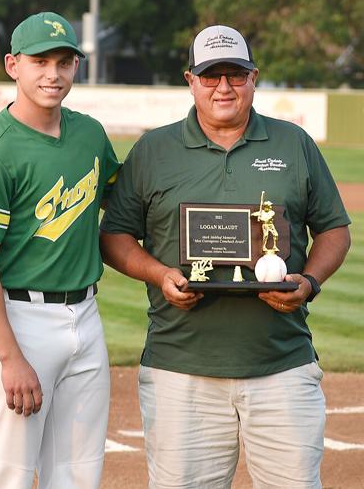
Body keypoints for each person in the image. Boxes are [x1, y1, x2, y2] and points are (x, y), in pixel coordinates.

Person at [100, 24, 351, 488]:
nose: (223, 87)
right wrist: (159, 276)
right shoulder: (154, 149)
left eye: (235, 75)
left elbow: (334, 228)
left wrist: (309, 282)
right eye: (210, 75)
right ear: (190, 80)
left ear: (254, 77)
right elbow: (114, 236)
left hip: (282, 367)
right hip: (180, 372)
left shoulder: (293, 144)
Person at [0, 11, 120, 489]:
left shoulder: (88, 134)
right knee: (9, 477)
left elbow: (124, 202)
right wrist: (10, 358)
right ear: (12, 66)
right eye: (40, 61)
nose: (53, 74)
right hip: (16, 319)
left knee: (79, 474)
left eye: (64, 62)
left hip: (85, 315)